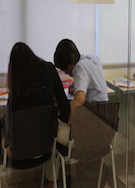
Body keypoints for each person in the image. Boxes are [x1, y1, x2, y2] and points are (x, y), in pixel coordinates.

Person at [45, 39, 108, 188]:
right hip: (106, 131)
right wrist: (78, 85)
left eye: (66, 71)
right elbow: (90, 81)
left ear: (68, 66)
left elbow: (79, 99)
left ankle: (50, 183)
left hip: (89, 133)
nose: (67, 74)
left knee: (51, 132)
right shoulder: (92, 58)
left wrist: (70, 121)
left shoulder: (79, 68)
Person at [0, 42, 70, 158]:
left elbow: (8, 123)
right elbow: (64, 107)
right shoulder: (49, 70)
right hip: (46, 146)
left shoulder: (18, 84)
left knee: (2, 124)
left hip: (21, 151)